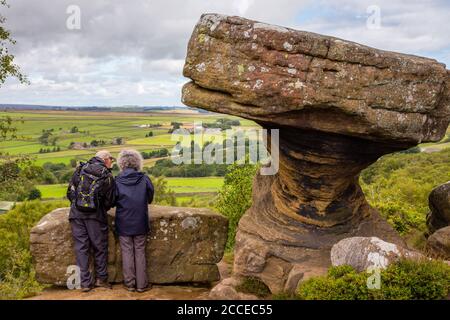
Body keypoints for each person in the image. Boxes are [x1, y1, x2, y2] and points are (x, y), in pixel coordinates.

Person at [67, 150, 115, 292]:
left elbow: (70, 192)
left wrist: (79, 206)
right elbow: (110, 200)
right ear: (105, 160)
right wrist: (98, 208)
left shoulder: (80, 169)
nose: (112, 162)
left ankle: (85, 283)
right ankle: (101, 279)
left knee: (81, 248)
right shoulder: (106, 175)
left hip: (76, 215)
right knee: (99, 247)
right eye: (111, 159)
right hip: (96, 217)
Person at [114, 149, 154, 293]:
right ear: (137, 162)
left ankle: (129, 284)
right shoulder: (144, 179)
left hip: (123, 221)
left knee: (127, 252)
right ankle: (142, 285)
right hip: (140, 221)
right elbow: (149, 198)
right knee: (140, 251)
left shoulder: (117, 180)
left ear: (121, 163)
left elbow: (113, 200)